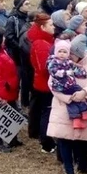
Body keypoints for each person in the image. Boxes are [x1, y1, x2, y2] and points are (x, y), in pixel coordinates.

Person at [48, 36, 87, 174]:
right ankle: (69, 171)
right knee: (65, 141)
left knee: (85, 140)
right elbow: (52, 85)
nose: (68, 56)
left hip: (85, 107)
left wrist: (85, 93)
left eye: (71, 53)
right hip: (63, 109)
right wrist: (69, 98)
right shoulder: (58, 64)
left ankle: (83, 166)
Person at [48, 39, 87, 129]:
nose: (62, 54)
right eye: (60, 51)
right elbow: (54, 73)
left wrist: (85, 74)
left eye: (65, 52)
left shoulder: (68, 62)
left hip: (70, 85)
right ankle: (76, 119)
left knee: (80, 93)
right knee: (71, 102)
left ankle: (84, 112)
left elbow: (75, 70)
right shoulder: (53, 62)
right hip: (60, 86)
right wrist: (67, 73)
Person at [27, 12, 57, 153]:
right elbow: (43, 68)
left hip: (42, 82)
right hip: (45, 84)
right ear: (42, 27)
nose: (54, 27)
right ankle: (46, 142)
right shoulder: (41, 44)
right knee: (47, 112)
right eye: (50, 25)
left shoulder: (45, 41)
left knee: (43, 111)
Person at [5, 0, 34, 108]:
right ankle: (18, 105)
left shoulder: (27, 18)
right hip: (17, 56)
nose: (29, 6)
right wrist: (21, 47)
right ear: (19, 6)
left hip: (26, 56)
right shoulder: (13, 20)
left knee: (27, 80)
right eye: (26, 4)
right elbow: (9, 37)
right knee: (19, 81)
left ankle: (25, 103)